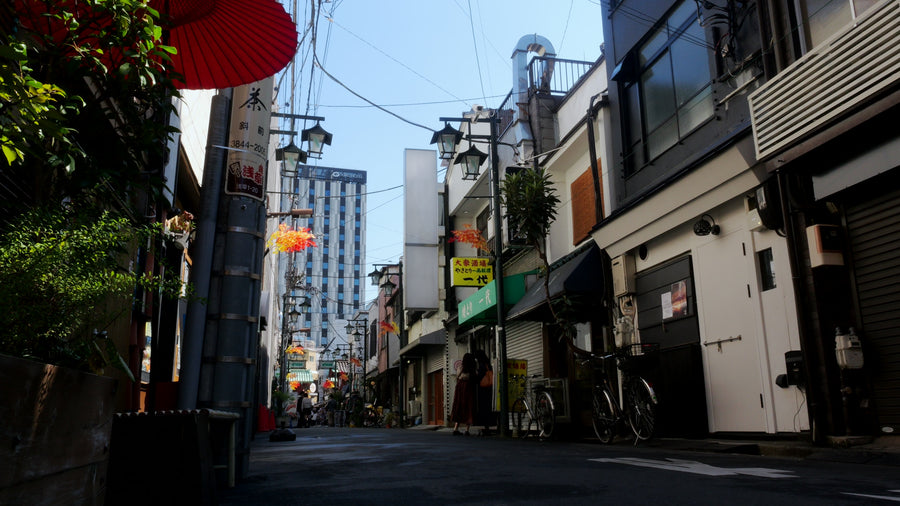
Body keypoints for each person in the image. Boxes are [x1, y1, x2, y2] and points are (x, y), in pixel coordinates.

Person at [450, 352, 477, 435]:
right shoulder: (472, 368)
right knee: (468, 407)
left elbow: (457, 376)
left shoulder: (461, 367)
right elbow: (475, 376)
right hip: (468, 388)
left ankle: (455, 428)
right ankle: (467, 430)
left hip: (460, 388)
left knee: (459, 406)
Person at [474, 349, 495, 436]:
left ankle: (486, 426)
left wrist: (476, 373)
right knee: (488, 407)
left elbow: (479, 377)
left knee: (484, 408)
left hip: (483, 390)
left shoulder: (481, 366)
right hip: (489, 389)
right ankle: (488, 426)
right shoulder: (488, 365)